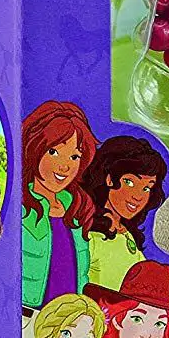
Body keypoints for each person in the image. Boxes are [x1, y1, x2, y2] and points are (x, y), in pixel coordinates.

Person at [22, 100, 98, 318]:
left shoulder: (76, 207)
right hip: (29, 317)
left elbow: (80, 271)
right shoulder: (19, 205)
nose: (65, 166)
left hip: (70, 320)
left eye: (74, 156)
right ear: (34, 148)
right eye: (54, 152)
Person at [81, 134, 169, 292]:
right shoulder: (90, 235)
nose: (138, 196)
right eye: (129, 182)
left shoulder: (126, 234)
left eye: (146, 188)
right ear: (109, 179)